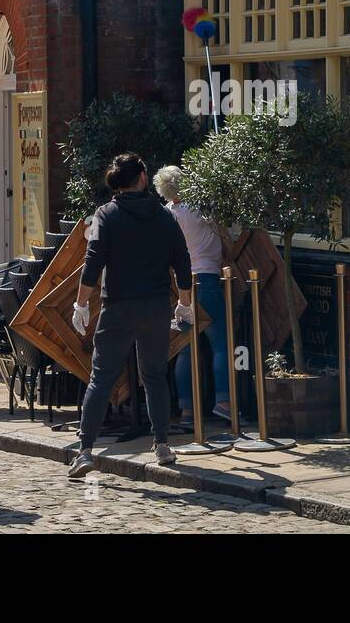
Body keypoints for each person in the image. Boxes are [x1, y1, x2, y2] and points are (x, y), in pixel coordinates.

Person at [68, 153, 193, 480]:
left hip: (118, 307)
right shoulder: (165, 217)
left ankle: (84, 451)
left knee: (102, 377)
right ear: (140, 178)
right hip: (155, 306)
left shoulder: (106, 215)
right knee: (154, 376)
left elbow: (92, 263)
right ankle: (162, 444)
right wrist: (185, 303)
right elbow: (182, 261)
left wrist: (81, 304)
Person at [153, 165, 232, 427]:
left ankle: (186, 409)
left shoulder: (166, 215)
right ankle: (224, 402)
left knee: (185, 350)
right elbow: (224, 232)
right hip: (208, 278)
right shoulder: (202, 208)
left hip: (182, 285)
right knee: (220, 344)